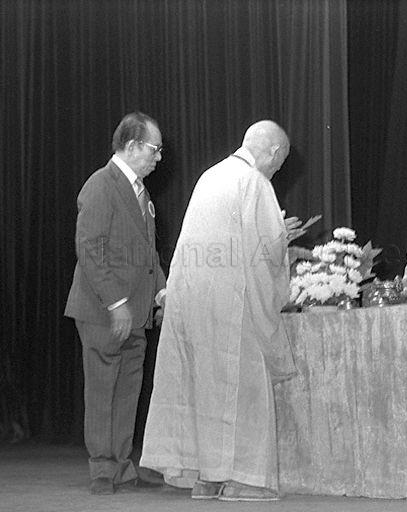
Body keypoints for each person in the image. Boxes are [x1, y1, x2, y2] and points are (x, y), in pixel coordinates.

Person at [140, 120, 305, 501]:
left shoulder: (209, 177)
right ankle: (244, 481)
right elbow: (264, 255)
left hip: (193, 303)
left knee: (206, 390)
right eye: (279, 165)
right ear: (274, 153)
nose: (276, 171)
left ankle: (206, 478)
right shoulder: (255, 183)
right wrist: (283, 246)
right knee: (243, 389)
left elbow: (194, 245)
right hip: (234, 306)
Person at [64, 112, 167, 495]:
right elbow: (90, 250)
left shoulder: (142, 193)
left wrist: (162, 291)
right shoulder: (100, 185)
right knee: (103, 389)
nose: (159, 157)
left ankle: (122, 466)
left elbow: (147, 255)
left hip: (136, 314)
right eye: (154, 149)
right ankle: (102, 469)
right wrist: (116, 303)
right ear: (132, 146)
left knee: (127, 391)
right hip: (104, 312)